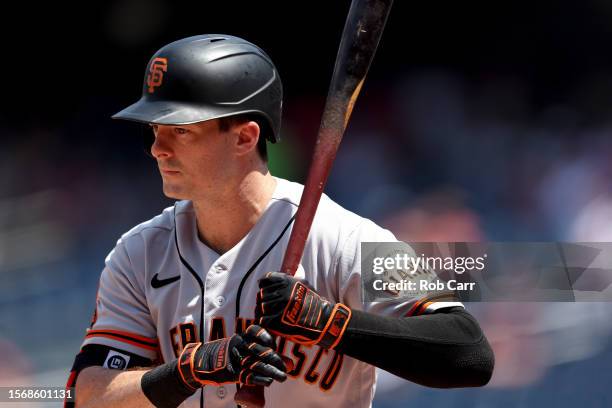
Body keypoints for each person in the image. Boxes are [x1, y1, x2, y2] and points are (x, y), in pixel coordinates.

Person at [66, 34, 494, 408]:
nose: (157, 148)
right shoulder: (138, 254)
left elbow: (468, 352)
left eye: (179, 130)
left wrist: (330, 323)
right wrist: (192, 368)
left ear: (245, 136)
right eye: (155, 129)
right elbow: (88, 396)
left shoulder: (340, 238)